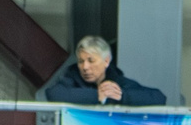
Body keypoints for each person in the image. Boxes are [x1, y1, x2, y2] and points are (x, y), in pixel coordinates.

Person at [38, 35, 166, 107]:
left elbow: (158, 97)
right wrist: (98, 96)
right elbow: (54, 94)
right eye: (81, 61)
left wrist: (121, 96)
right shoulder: (71, 76)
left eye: (91, 60)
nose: (85, 67)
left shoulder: (116, 80)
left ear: (106, 61)